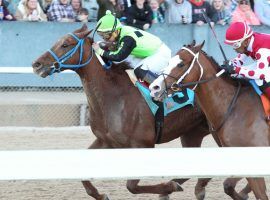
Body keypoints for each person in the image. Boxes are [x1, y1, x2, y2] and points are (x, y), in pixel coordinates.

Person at [92, 10, 171, 84]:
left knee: (139, 71)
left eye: (106, 35)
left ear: (116, 31)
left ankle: (163, 86)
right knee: (129, 67)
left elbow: (118, 56)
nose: (105, 38)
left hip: (160, 54)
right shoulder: (122, 31)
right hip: (152, 53)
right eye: (101, 35)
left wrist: (100, 51)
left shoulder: (127, 38)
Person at [221, 22, 270, 118]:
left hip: (263, 69)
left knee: (261, 80)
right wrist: (230, 65)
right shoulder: (249, 42)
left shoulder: (261, 50)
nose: (233, 48)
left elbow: (260, 74)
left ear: (246, 41)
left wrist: (236, 69)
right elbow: (239, 60)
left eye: (235, 45)